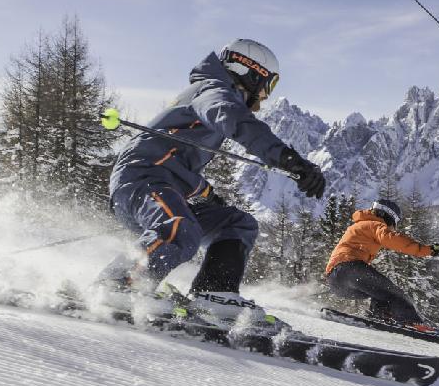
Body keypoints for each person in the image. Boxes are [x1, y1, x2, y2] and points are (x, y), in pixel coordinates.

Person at [100, 39, 325, 327]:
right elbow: (235, 121)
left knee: (236, 224)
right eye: (268, 86)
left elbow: (177, 162)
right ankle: (117, 283)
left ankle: (214, 294)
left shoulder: (211, 92)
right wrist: (287, 158)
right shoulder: (213, 91)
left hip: (163, 183)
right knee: (181, 227)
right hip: (141, 180)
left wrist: (206, 194)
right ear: (250, 72)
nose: (265, 97)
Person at [324, 199, 439, 325]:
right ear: (387, 216)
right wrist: (427, 250)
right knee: (395, 294)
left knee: (381, 294)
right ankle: (414, 323)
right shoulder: (374, 224)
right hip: (349, 269)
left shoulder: (360, 225)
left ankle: (380, 318)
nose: (393, 228)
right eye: (394, 223)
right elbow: (394, 239)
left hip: (336, 280)